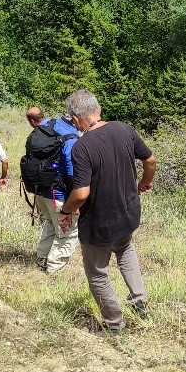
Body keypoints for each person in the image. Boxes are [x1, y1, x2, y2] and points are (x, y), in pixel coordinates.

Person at [58, 89, 156, 334]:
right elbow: (151, 160)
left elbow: (81, 193)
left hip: (99, 222)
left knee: (98, 274)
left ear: (75, 118)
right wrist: (145, 182)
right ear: (98, 110)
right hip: (128, 212)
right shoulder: (124, 129)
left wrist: (66, 211)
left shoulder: (81, 147)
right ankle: (139, 299)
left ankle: (115, 324)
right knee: (125, 249)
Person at [21, 106, 81, 275]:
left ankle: (42, 260)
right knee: (66, 232)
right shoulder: (69, 137)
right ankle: (55, 271)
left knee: (50, 224)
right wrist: (73, 201)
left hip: (41, 192)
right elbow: (71, 173)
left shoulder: (42, 128)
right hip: (59, 195)